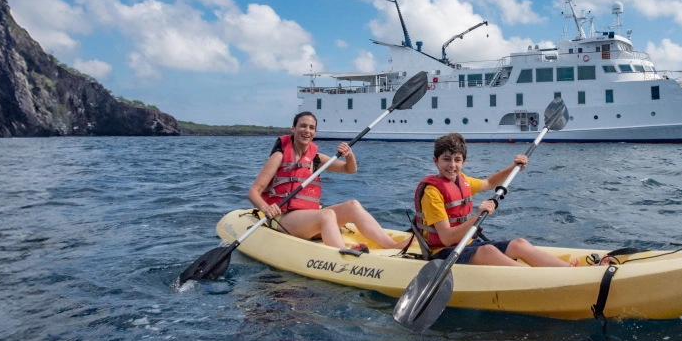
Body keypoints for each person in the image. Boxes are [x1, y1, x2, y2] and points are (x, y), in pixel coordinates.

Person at [413, 133, 585, 267]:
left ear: (463, 161)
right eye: (446, 159)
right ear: (436, 161)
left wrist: (514, 167)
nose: (452, 165)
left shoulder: (462, 180)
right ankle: (543, 280)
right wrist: (477, 216)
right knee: (488, 251)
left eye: (457, 160)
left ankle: (568, 270)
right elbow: (446, 239)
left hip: (467, 243)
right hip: (442, 252)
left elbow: (489, 183)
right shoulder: (432, 192)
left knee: (520, 244)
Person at [248, 111, 402, 251]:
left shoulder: (316, 158)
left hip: (310, 221)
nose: (307, 131)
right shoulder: (279, 156)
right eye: (303, 126)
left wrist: (349, 155)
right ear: (293, 129)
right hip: (284, 219)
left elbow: (349, 169)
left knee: (353, 205)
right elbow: (254, 192)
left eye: (311, 128)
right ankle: (344, 253)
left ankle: (392, 246)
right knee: (326, 214)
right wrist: (266, 208)